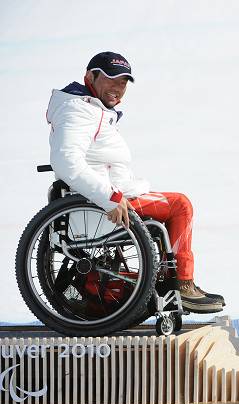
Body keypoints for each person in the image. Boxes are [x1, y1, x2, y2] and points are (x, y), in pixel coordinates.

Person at [46, 51, 225, 314]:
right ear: (90, 76)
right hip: (102, 205)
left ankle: (166, 282)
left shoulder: (92, 109)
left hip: (106, 199)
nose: (118, 87)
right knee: (180, 205)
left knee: (172, 206)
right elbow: (65, 162)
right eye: (111, 79)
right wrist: (110, 197)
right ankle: (181, 285)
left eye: (123, 82)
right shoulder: (78, 110)